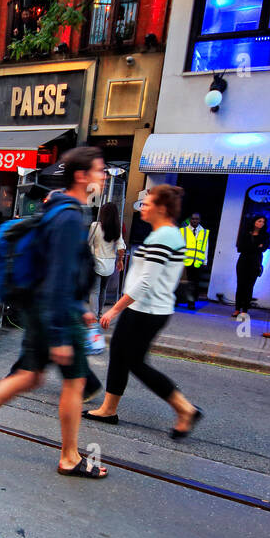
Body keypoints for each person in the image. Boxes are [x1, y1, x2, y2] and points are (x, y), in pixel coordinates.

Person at [0, 147, 108, 478]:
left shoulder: (61, 207)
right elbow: (58, 277)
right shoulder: (68, 216)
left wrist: (81, 308)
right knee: (75, 381)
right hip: (55, 314)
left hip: (43, 309)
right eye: (99, 170)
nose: (103, 175)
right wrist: (62, 334)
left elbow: (62, 271)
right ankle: (69, 457)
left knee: (29, 376)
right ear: (81, 176)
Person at [84, 185, 203, 438]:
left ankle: (185, 409)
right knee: (119, 355)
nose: (142, 207)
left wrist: (113, 309)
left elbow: (146, 281)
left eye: (147, 203)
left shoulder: (165, 236)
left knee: (134, 362)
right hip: (142, 307)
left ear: (161, 208)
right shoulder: (161, 234)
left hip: (148, 310)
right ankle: (108, 408)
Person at [88, 202, 126, 315]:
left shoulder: (95, 226)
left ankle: (94, 316)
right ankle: (100, 313)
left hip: (96, 261)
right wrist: (120, 260)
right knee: (103, 289)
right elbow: (121, 247)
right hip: (109, 264)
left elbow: (89, 243)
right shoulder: (117, 228)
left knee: (95, 291)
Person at [233, 215, 270, 316]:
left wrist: (251, 247)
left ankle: (245, 310)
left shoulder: (265, 235)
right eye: (259, 221)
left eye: (263, 222)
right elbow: (240, 248)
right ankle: (237, 309)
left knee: (249, 286)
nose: (261, 223)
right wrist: (256, 246)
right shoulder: (245, 233)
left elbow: (263, 249)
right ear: (254, 222)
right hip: (243, 261)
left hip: (255, 262)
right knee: (240, 285)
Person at [179, 212, 210, 310]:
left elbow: (206, 247)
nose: (195, 221)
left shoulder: (204, 232)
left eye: (197, 219)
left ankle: (191, 303)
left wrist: (205, 261)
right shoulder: (183, 231)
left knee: (194, 284)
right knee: (181, 282)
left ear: (199, 220)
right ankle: (177, 300)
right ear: (190, 220)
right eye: (193, 219)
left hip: (197, 262)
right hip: (184, 261)